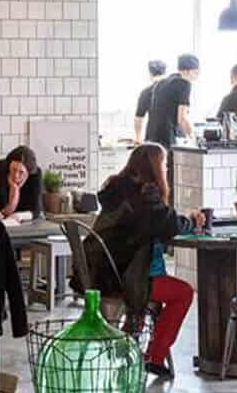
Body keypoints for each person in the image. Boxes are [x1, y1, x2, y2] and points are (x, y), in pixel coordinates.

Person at [84, 143, 205, 378]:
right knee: (183, 293)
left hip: (104, 273)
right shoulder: (146, 195)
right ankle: (154, 356)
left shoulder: (117, 190)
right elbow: (169, 225)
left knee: (152, 289)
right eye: (164, 164)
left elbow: (157, 224)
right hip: (128, 279)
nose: (167, 169)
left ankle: (129, 347)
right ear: (155, 168)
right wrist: (192, 221)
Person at [145, 54, 200, 149]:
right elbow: (182, 119)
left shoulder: (162, 82)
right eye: (196, 71)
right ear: (189, 71)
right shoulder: (184, 84)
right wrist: (193, 137)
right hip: (167, 139)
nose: (198, 74)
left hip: (151, 138)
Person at [0, 146, 42, 220]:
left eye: (21, 172)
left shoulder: (35, 175)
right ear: (9, 165)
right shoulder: (0, 168)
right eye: (13, 169)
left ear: (28, 172)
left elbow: (36, 210)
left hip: (21, 223)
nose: (16, 175)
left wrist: (19, 216)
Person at [133, 59, 167, 144]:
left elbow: (138, 118)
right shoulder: (173, 89)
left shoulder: (146, 92)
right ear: (165, 72)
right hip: (175, 137)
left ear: (150, 73)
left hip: (154, 137)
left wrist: (138, 138)